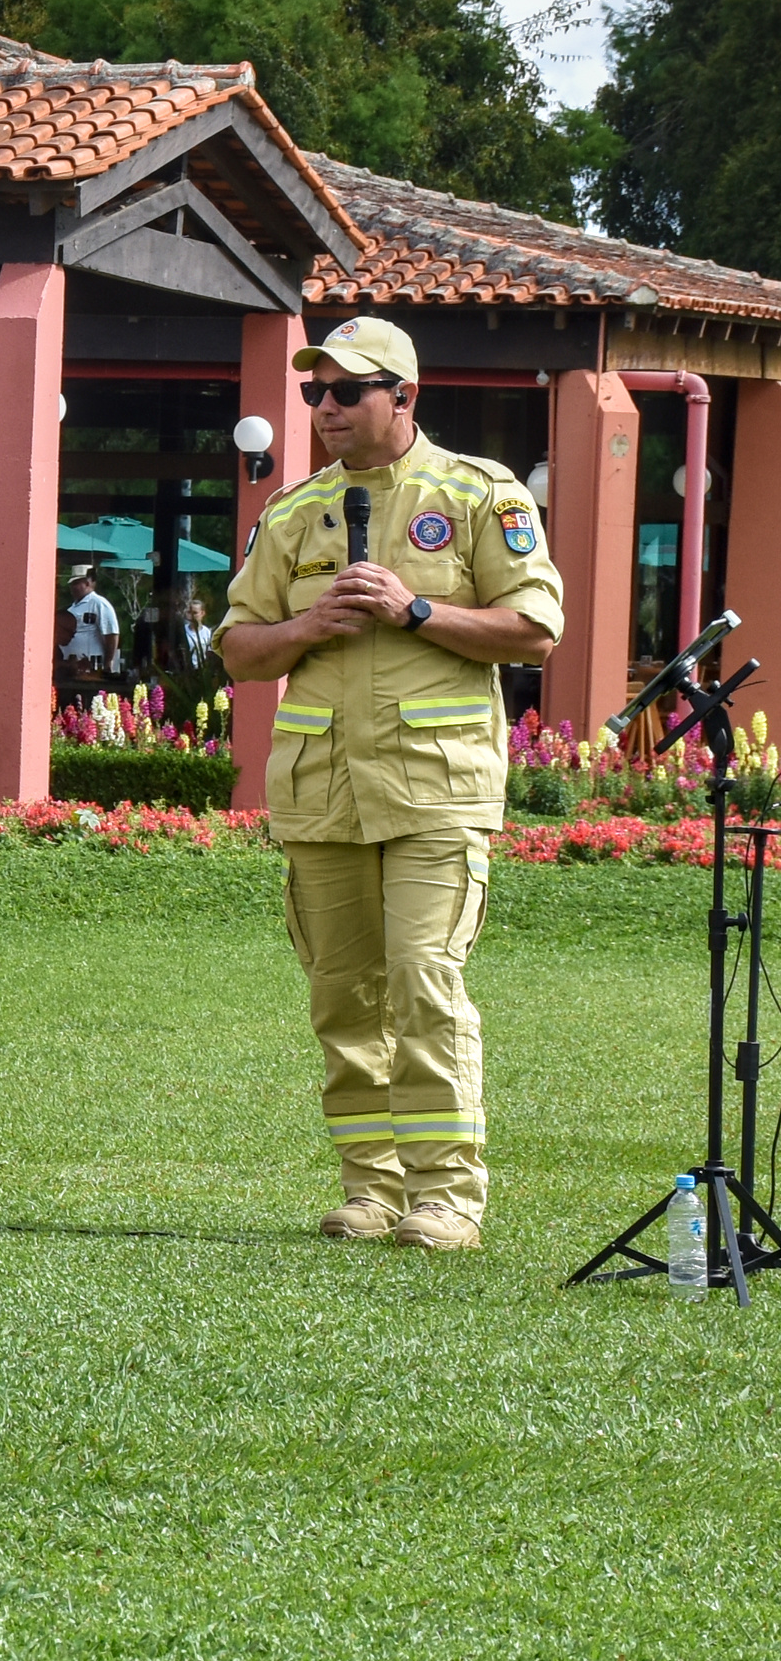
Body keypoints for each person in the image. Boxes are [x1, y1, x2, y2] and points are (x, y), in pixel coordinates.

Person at [220, 314, 559, 1253]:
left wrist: (415, 610)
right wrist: (305, 629)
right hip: (321, 784)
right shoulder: (291, 512)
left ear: (403, 396)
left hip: (435, 786)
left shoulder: (479, 494)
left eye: (345, 392)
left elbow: (534, 628)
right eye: (313, 393)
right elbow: (239, 648)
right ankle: (369, 1188)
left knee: (424, 980)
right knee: (342, 993)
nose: (324, 409)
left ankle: (447, 1195)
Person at [62, 564, 121, 680]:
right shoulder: (71, 609)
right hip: (72, 669)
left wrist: (108, 662)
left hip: (92, 668)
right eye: (72, 584)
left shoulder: (99, 603)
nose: (73, 587)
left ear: (87, 583)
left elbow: (111, 634)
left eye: (77, 583)